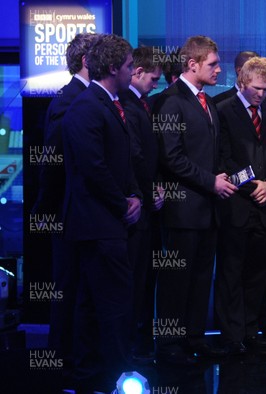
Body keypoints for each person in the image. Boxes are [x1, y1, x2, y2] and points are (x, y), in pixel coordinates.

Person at [62, 34, 141, 389]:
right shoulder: (86, 107)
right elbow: (93, 167)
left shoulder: (108, 102)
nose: (132, 72)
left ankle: (96, 374)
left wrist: (135, 194)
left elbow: (124, 160)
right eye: (128, 67)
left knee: (98, 303)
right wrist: (123, 202)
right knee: (107, 304)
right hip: (97, 223)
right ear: (113, 68)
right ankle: (110, 373)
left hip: (107, 222)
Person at [153, 35, 237, 365]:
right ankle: (169, 345)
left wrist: (221, 177)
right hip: (182, 209)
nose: (219, 70)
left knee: (202, 277)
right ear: (193, 64)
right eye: (213, 64)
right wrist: (211, 182)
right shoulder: (170, 101)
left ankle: (194, 337)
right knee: (176, 280)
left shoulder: (208, 101)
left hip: (208, 208)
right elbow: (171, 157)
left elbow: (210, 152)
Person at [31, 32, 98, 367]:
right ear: (88, 61)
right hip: (69, 212)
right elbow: (52, 160)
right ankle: (60, 367)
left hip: (87, 213)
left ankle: (80, 363)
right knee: (68, 289)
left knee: (84, 290)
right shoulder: (68, 99)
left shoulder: (92, 97)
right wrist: (46, 207)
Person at [215, 56, 266, 355]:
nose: (262, 94)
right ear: (243, 82)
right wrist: (252, 183)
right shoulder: (222, 109)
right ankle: (232, 335)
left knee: (259, 273)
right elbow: (223, 159)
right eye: (257, 88)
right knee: (232, 272)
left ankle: (251, 329)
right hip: (237, 206)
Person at [119, 46, 164, 358]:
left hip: (148, 205)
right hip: (137, 208)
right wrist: (147, 194)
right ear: (136, 73)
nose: (156, 84)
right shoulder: (126, 107)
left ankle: (138, 341)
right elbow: (134, 159)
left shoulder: (143, 105)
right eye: (153, 78)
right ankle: (131, 345)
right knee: (134, 281)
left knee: (144, 279)